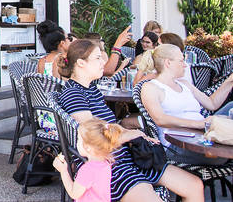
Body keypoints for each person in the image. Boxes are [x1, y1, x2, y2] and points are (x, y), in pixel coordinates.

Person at [58, 39, 203, 202]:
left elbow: (110, 126)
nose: (103, 62)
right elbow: (94, 137)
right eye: (98, 58)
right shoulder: (73, 94)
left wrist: (133, 133)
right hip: (110, 166)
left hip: (129, 157)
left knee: (194, 185)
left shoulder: (91, 89)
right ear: (81, 63)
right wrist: (129, 135)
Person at [140, 44, 233, 165]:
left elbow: (212, 104)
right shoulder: (151, 87)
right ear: (168, 63)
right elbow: (160, 119)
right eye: (181, 60)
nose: (185, 65)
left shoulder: (184, 84)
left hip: (204, 135)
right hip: (178, 146)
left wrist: (230, 81)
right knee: (223, 154)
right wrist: (200, 124)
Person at [53, 118, 122, 202]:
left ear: (88, 147)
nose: (77, 143)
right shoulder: (105, 164)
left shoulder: (88, 169)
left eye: (78, 139)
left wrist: (63, 171)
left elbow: (74, 193)